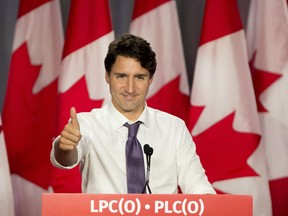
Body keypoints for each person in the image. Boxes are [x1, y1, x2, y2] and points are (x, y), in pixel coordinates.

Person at [50, 33, 216, 194]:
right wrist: (64, 147)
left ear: (150, 79)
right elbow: (65, 158)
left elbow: (199, 188)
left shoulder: (174, 128)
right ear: (107, 76)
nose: (130, 88)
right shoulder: (87, 124)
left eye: (139, 78)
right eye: (121, 76)